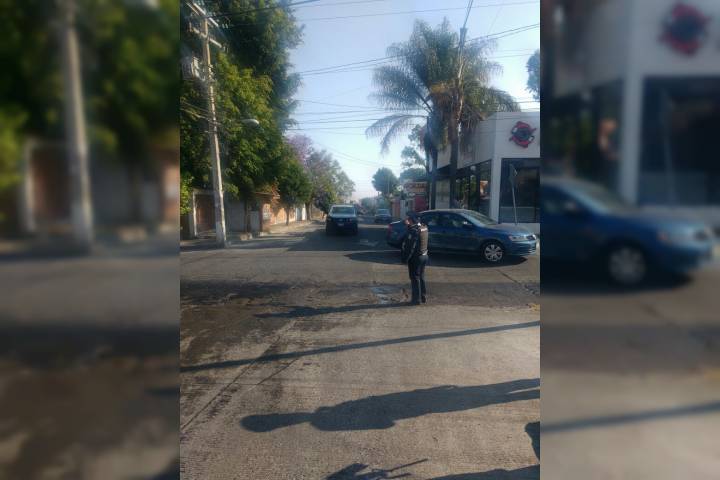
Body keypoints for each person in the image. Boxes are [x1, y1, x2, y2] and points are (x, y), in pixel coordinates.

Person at [401, 212, 429, 305]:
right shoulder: (424, 227)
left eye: (408, 219)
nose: (407, 220)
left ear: (412, 220)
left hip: (416, 258)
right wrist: (409, 226)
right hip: (424, 255)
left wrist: (405, 259)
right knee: (421, 277)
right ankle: (423, 296)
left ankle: (416, 300)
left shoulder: (414, 231)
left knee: (414, 278)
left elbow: (410, 247)